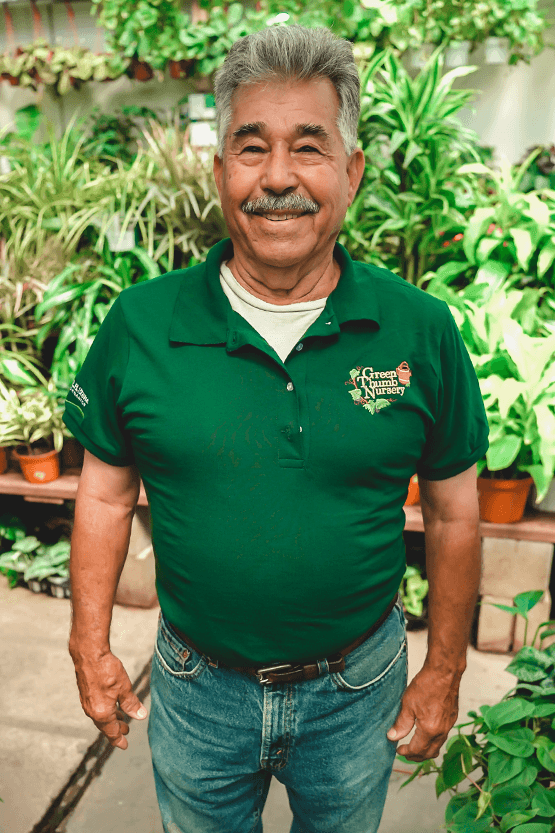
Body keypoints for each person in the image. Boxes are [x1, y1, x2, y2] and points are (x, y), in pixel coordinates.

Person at [64, 24, 489, 833]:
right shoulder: (141, 323)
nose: (278, 178)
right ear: (221, 171)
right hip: (196, 688)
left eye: (309, 147)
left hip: (357, 689)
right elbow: (105, 497)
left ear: (351, 171)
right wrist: (91, 646)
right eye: (252, 149)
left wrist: (444, 664)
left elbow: (456, 511)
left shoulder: (419, 331)